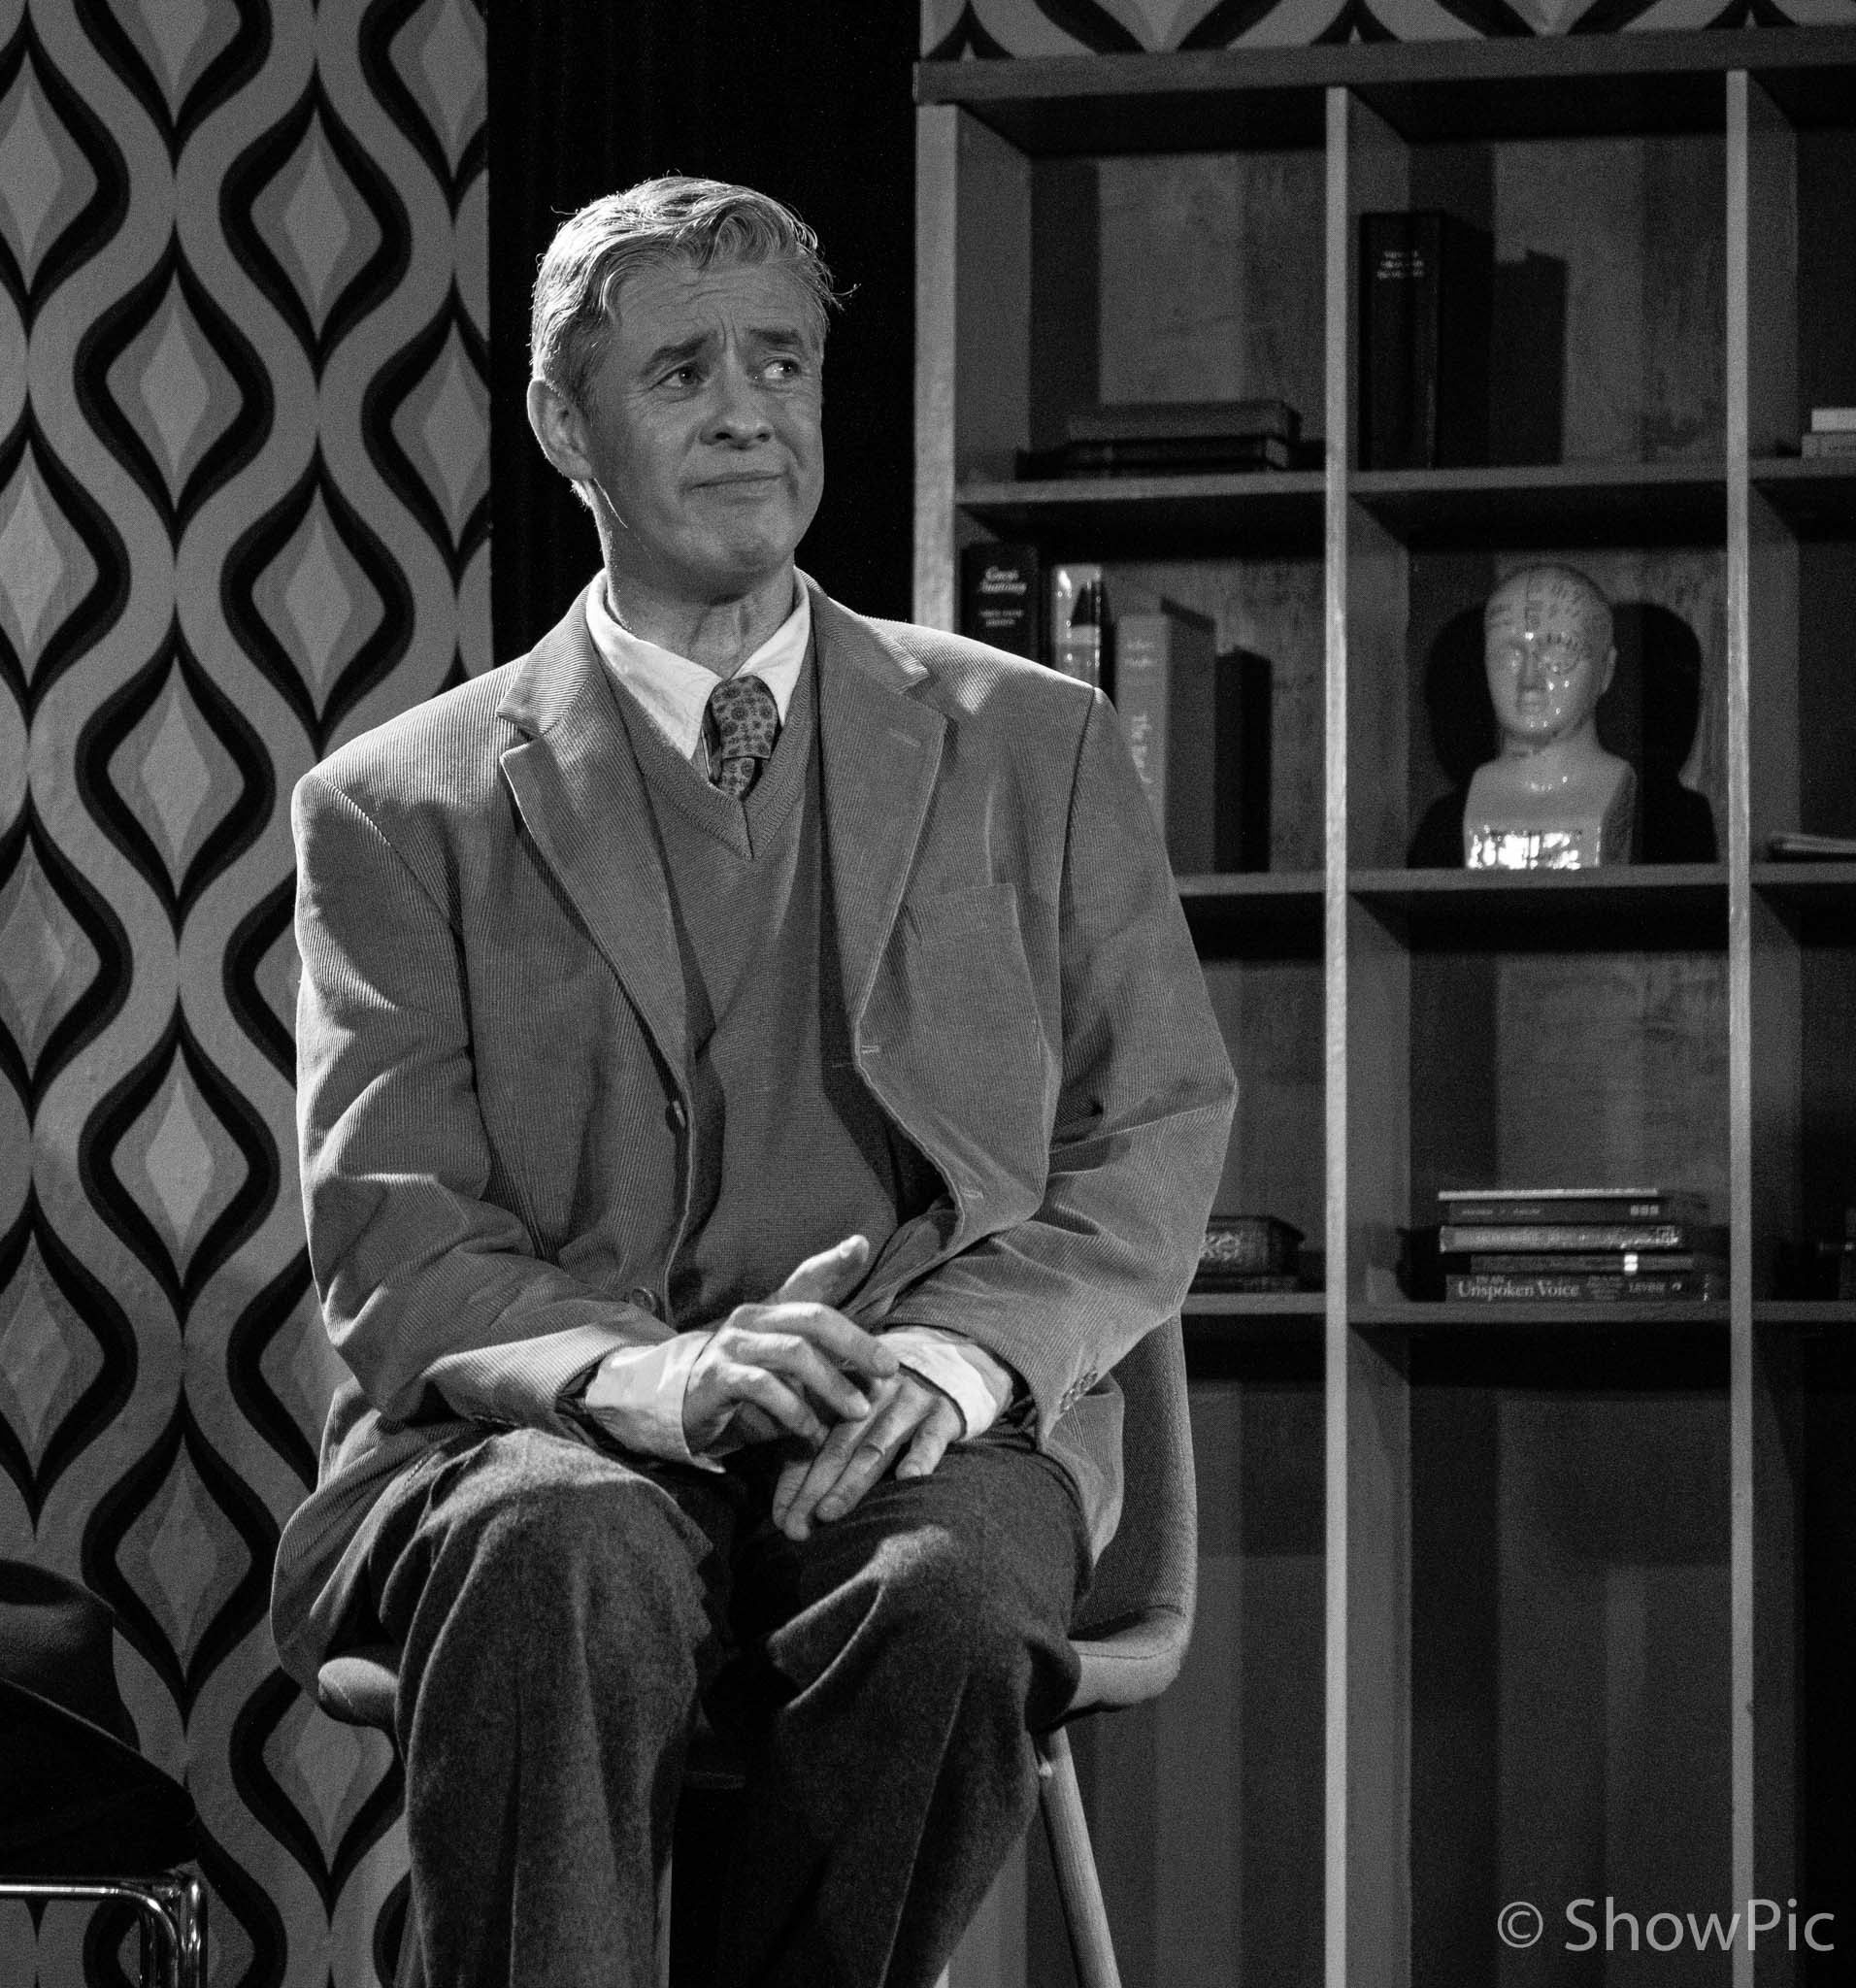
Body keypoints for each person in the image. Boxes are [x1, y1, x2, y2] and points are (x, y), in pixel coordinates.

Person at [270, 176, 1235, 1988]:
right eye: (683, 371)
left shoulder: (1035, 743)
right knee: (559, 1553)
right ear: (566, 426)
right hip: (541, 1434)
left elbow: (1154, 1131)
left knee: (944, 1598)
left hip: (921, 1416)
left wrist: (955, 1364)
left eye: (782, 363)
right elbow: (399, 1243)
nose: (747, 414)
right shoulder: (397, 808)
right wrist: (654, 1378)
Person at [1463, 562, 1635, 869]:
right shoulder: (1480, 788)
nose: (1530, 682)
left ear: (1606, 670)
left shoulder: (1615, 783)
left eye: (1559, 653)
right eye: (1508, 656)